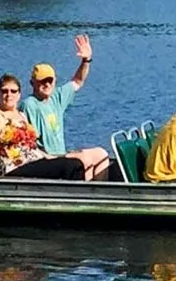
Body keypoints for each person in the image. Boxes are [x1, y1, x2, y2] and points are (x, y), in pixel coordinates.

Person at [22, 34, 112, 181]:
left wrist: (86, 60)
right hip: (48, 158)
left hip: (61, 154)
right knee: (83, 161)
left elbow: (78, 81)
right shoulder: (29, 105)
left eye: (50, 81)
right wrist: (49, 157)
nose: (47, 84)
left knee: (101, 154)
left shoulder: (56, 97)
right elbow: (28, 143)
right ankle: (86, 196)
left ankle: (96, 196)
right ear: (33, 83)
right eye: (42, 81)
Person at [0, 74, 94, 180]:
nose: (9, 95)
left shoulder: (21, 115)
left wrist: (50, 157)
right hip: (14, 168)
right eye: (4, 91)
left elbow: (32, 146)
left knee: (76, 162)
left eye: (13, 91)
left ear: (19, 94)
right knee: (71, 166)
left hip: (34, 161)